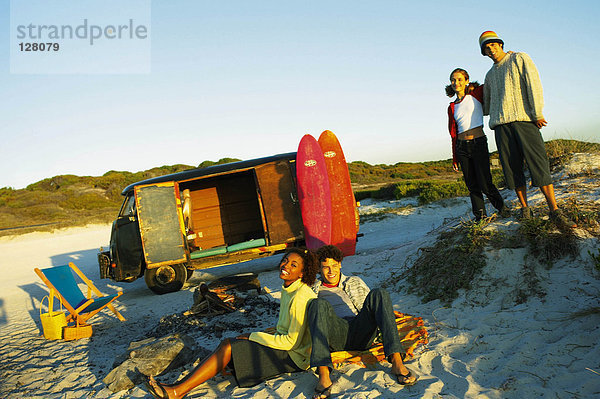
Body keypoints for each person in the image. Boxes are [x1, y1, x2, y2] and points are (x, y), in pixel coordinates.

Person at [145, 248, 320, 399]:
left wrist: (253, 336)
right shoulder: (291, 288)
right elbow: (287, 327)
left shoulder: (300, 296)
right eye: (285, 261)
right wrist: (266, 333)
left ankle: (177, 391)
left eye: (293, 265)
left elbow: (291, 341)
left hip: (294, 356)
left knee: (229, 346)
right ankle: (178, 387)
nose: (285, 266)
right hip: (287, 347)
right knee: (229, 343)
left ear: (303, 273)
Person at [479, 30, 576, 228]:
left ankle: (554, 210)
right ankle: (525, 208)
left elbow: (534, 84)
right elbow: (487, 106)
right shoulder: (488, 75)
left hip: (524, 120)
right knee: (512, 169)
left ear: (500, 44)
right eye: (486, 48)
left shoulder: (519, 58)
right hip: (500, 126)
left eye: (493, 44)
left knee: (538, 164)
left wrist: (537, 112)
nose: (490, 49)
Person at [307, 245, 416, 399]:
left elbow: (371, 308)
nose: (331, 271)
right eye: (325, 267)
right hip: (335, 333)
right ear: (319, 269)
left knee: (379, 293)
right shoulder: (312, 289)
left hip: (361, 330)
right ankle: (324, 375)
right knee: (317, 304)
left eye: (334, 266)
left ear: (340, 264)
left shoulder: (354, 281)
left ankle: (397, 362)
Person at [446, 68, 508, 221]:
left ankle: (502, 208)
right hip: (461, 147)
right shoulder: (452, 107)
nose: (456, 83)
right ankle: (480, 216)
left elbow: (493, 81)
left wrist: (504, 59)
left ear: (466, 81)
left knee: (485, 183)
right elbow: (453, 134)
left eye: (460, 79)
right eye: (453, 80)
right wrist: (455, 158)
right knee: (472, 185)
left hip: (478, 143)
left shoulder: (476, 94)